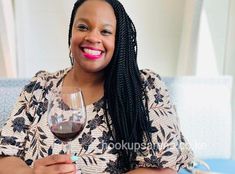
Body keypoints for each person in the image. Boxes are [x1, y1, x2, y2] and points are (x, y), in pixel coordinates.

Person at [0, 0, 194, 173]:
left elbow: (162, 170)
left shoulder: (147, 88)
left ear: (119, 42)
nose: (93, 37)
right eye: (83, 27)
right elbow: (4, 155)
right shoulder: (39, 86)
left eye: (106, 31)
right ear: (71, 34)